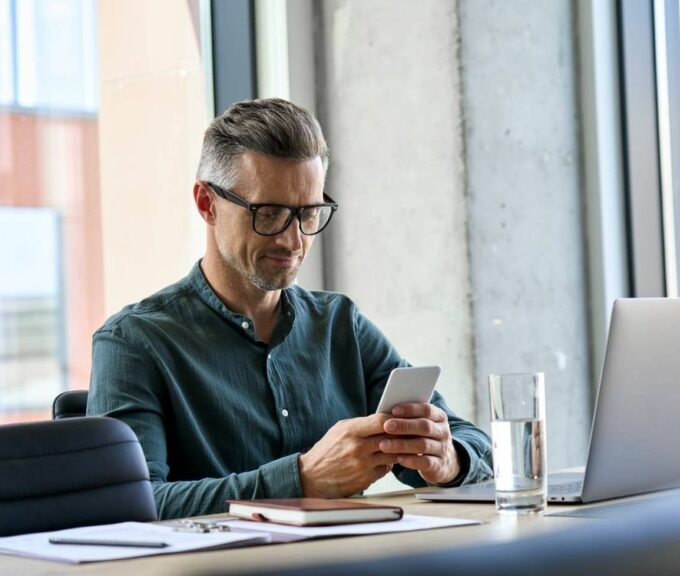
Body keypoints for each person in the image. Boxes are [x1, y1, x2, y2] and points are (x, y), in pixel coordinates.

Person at [87, 98, 493, 519]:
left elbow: (472, 442)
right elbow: (129, 504)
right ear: (208, 204)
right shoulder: (134, 343)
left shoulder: (340, 325)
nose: (293, 240)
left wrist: (446, 460)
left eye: (308, 214)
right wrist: (301, 480)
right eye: (270, 213)